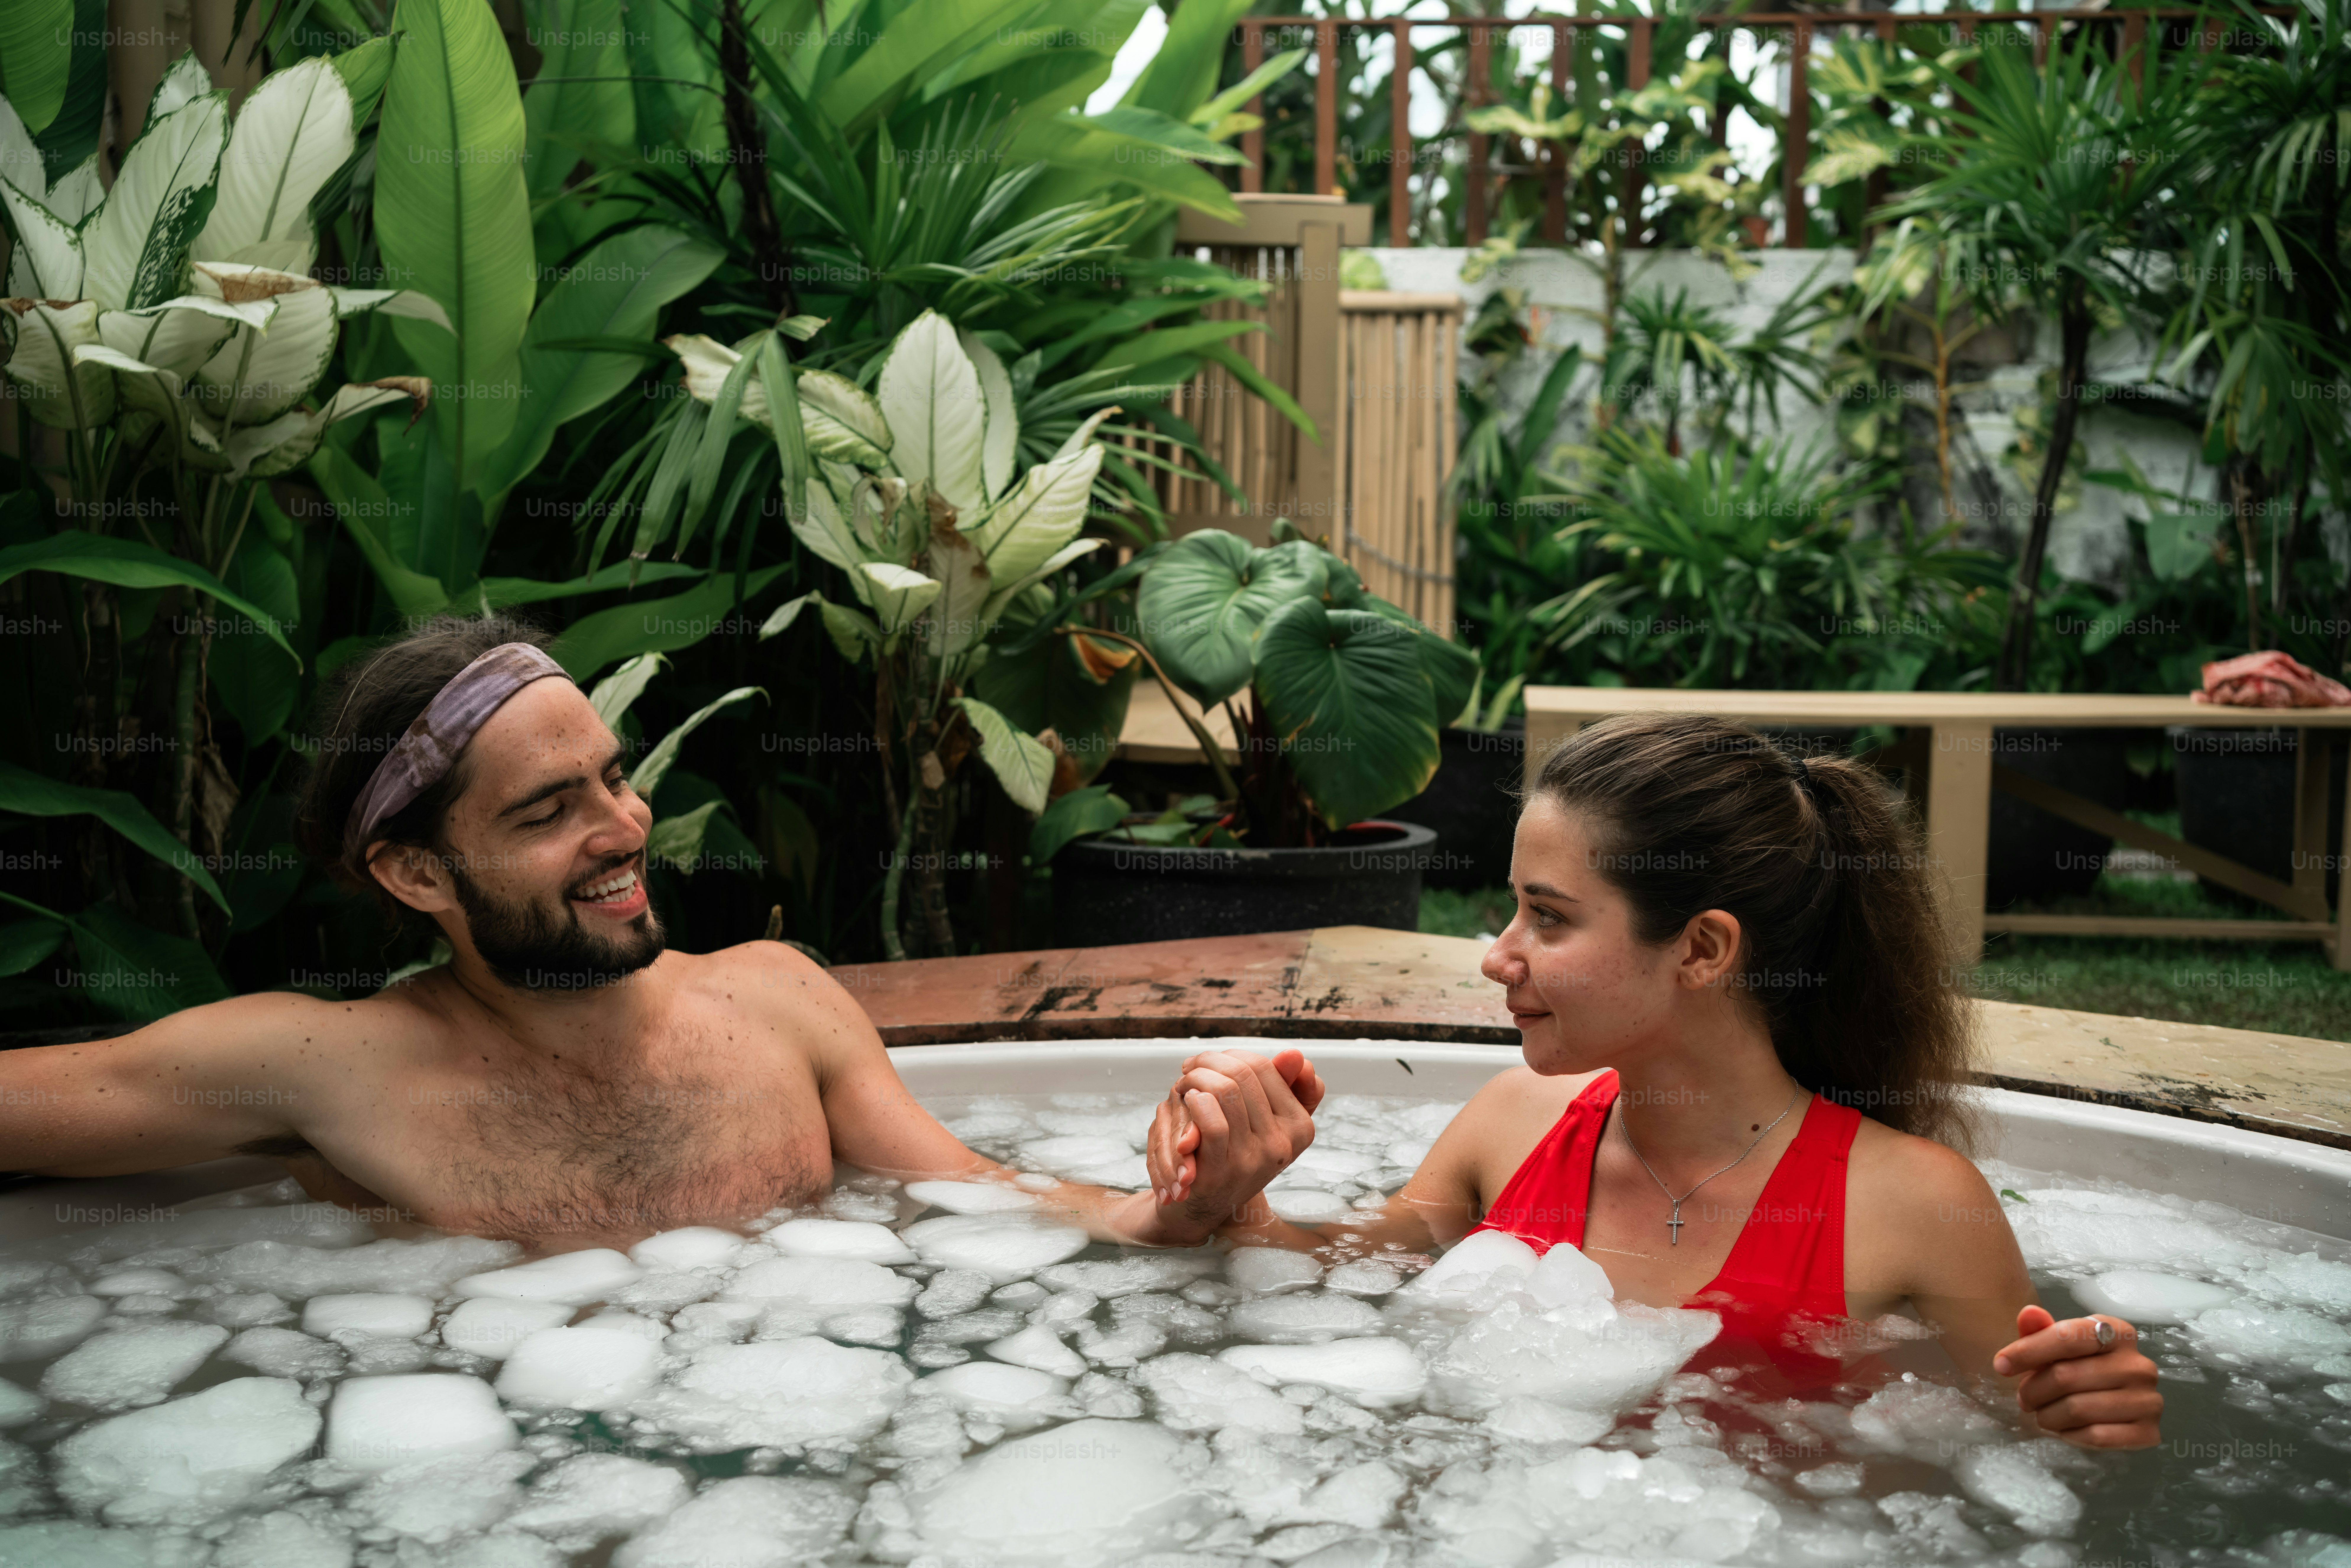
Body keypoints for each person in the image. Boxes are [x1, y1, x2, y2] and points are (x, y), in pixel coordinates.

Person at [1, 615, 1306, 1252]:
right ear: (415, 875)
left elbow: (979, 1204)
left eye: (614, 780)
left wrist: (1185, 1209)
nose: (624, 828)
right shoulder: (327, 1062)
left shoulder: (776, 1003)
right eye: (550, 810)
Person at [1145, 712, 2163, 1450]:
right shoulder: (1511, 1126)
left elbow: (2027, 1459)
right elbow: (1329, 1271)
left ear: (1704, 948)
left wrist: (2092, 1417)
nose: (1499, 957)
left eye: (1548, 917)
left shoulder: (1913, 1205)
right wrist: (1231, 1198)